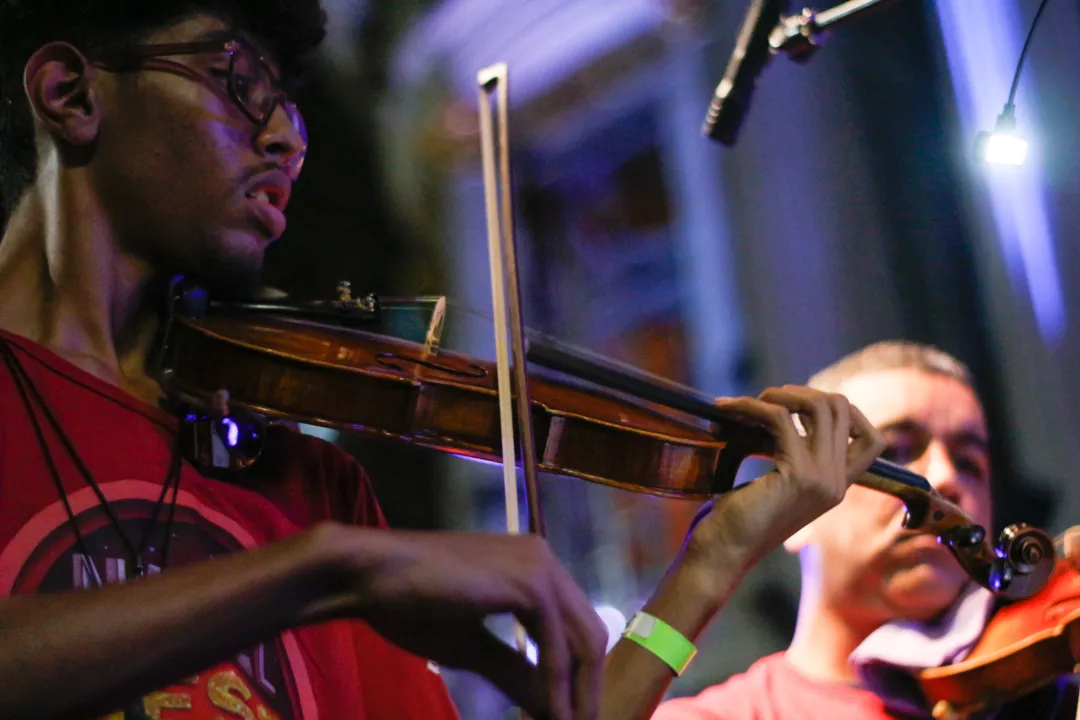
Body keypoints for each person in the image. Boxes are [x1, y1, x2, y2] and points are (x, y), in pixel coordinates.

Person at [0, 1, 887, 719]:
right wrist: (328, 570)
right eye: (237, 84)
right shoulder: (332, 552)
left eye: (292, 111)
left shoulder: (299, 481)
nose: (286, 142)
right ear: (72, 93)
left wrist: (708, 564)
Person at [641, 341, 1075, 720]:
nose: (946, 479)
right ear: (798, 509)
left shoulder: (1047, 690)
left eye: (970, 464)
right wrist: (699, 574)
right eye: (898, 453)